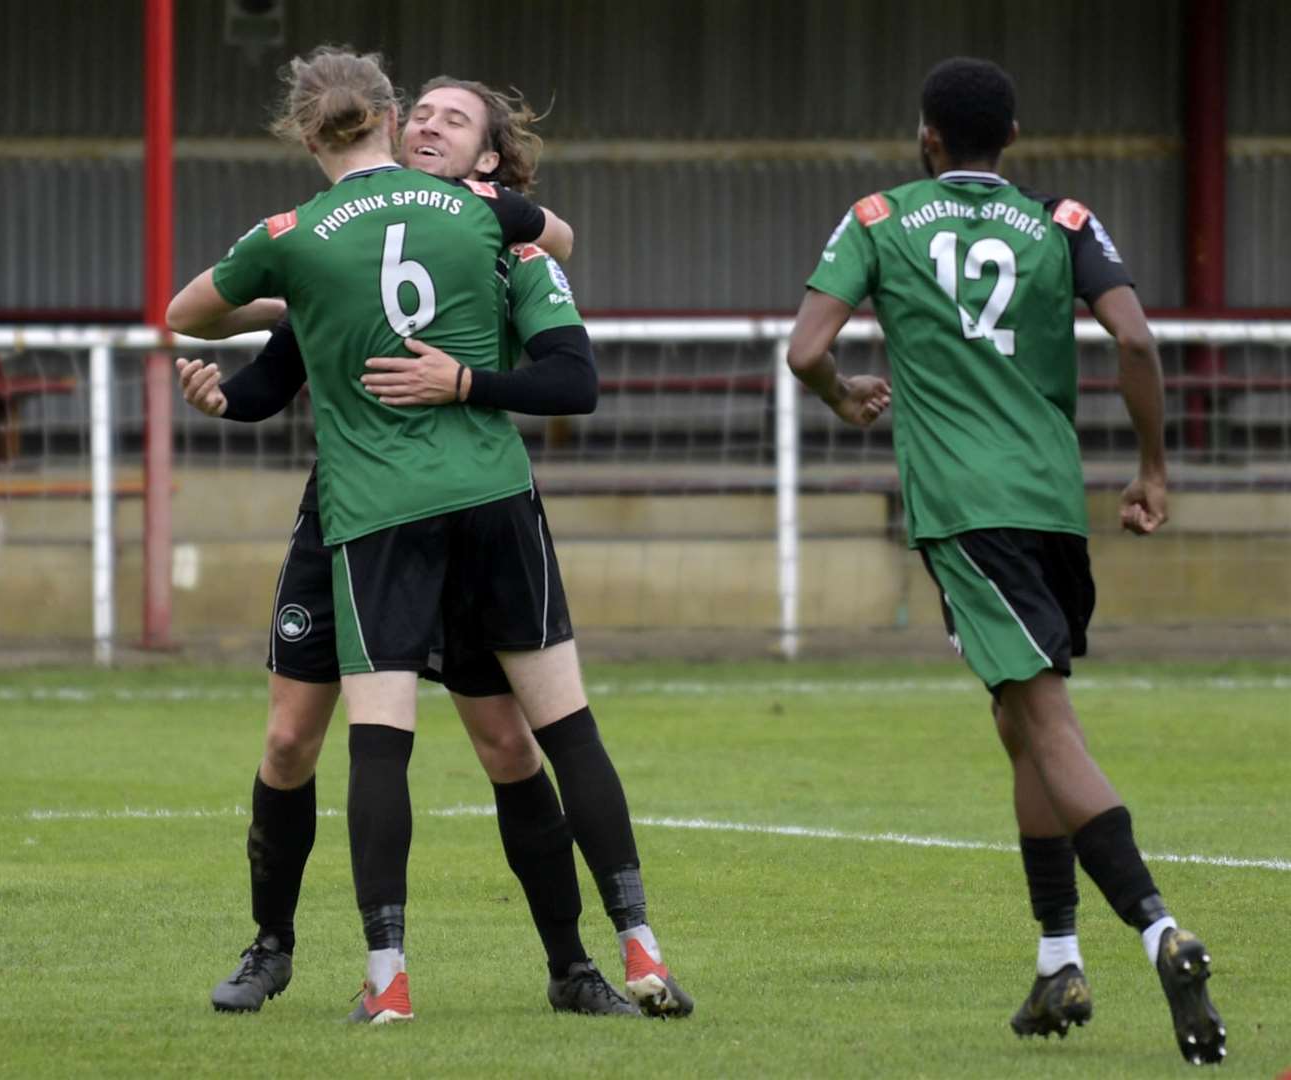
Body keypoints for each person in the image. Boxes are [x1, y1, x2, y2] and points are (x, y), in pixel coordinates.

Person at [168, 54, 690, 1023]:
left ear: (489, 160)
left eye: (459, 120)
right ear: (390, 124)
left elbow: (570, 369)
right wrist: (222, 391)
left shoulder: (492, 241)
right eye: (427, 115)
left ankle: (569, 965)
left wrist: (462, 377)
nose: (434, 128)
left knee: (503, 743)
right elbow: (269, 383)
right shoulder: (350, 242)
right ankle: (271, 945)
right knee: (288, 739)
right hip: (352, 512)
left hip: (433, 507)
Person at [785, 57, 1225, 1066]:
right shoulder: (1062, 222)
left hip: (963, 512)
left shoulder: (877, 217)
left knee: (1042, 719)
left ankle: (1161, 930)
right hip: (1050, 508)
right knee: (1016, 718)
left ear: (927, 136)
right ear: (1011, 137)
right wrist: (1152, 468)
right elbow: (1135, 339)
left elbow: (806, 348)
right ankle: (1054, 958)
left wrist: (841, 396)